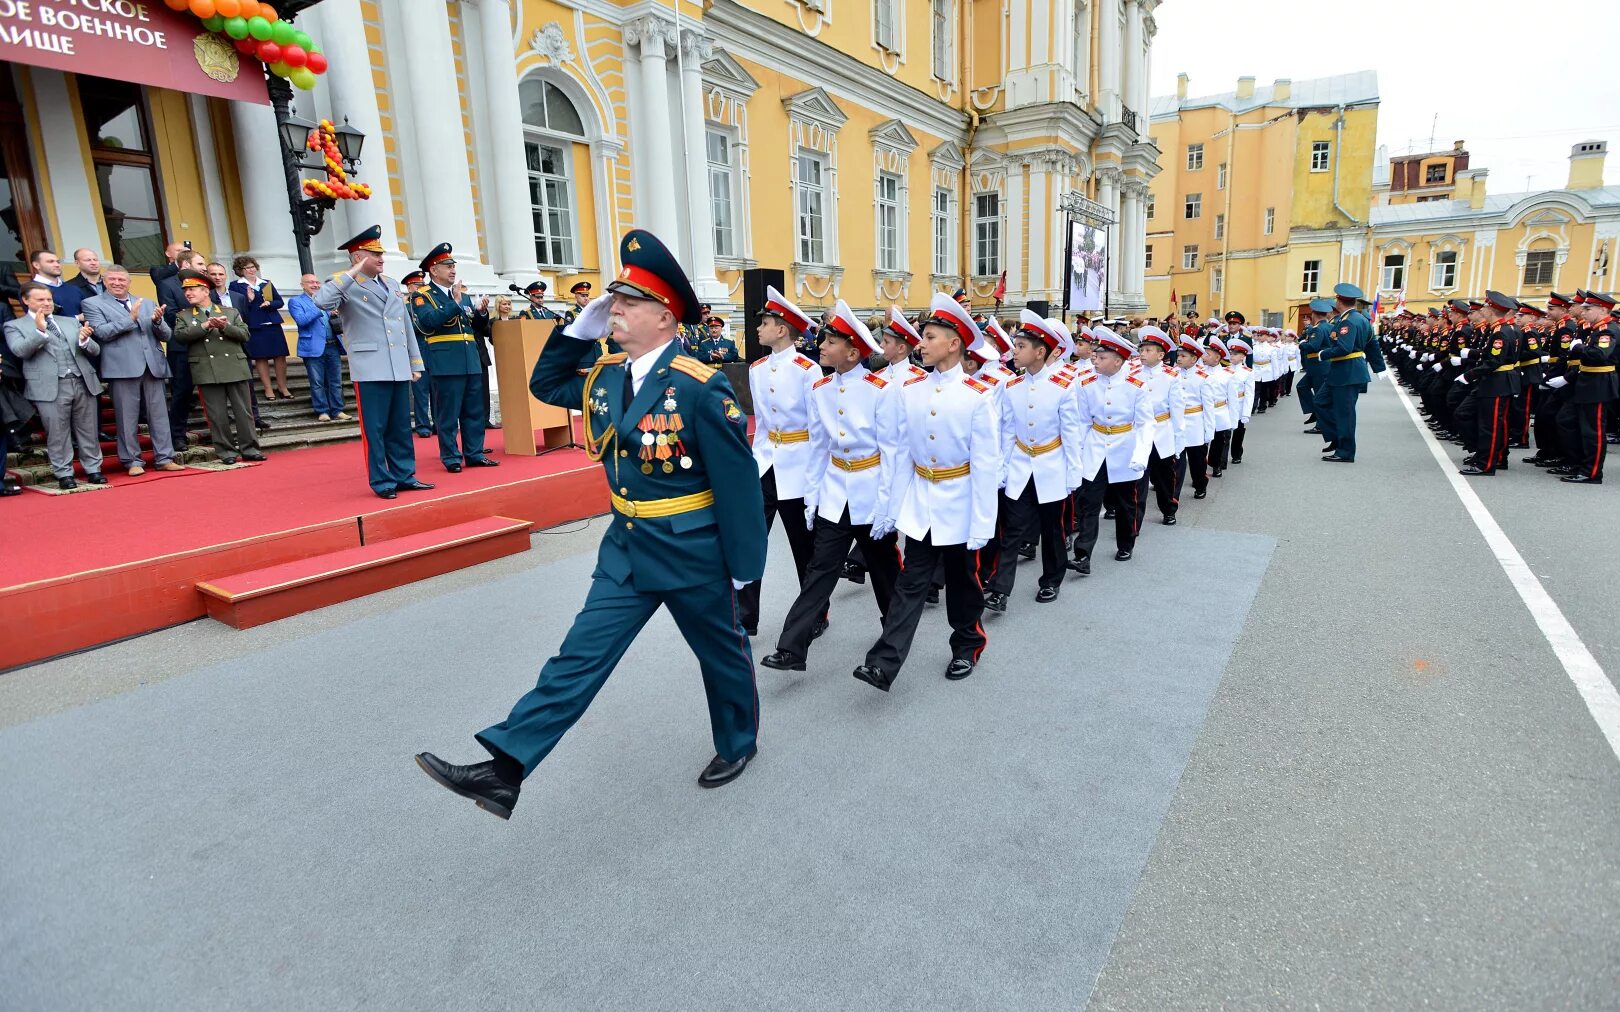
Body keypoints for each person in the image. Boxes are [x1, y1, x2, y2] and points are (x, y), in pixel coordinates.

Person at [414, 229, 767, 818]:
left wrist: (743, 571)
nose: (614, 310)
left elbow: (737, 489)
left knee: (722, 655)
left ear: (665, 317)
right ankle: (505, 768)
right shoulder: (605, 376)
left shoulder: (699, 389)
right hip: (627, 548)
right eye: (613, 300)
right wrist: (577, 328)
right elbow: (546, 384)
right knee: (578, 655)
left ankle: (738, 743)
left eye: (628, 302)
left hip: (693, 552)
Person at [852, 292, 999, 691]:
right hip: (922, 499)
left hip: (961, 501)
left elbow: (986, 464)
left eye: (930, 336)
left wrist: (983, 521)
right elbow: (900, 454)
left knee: (963, 581)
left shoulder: (977, 397)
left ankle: (967, 645)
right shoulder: (910, 391)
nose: (921, 343)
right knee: (911, 581)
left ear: (954, 343)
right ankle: (883, 662)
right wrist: (889, 508)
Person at [759, 301, 901, 670]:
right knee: (820, 570)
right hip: (836, 493)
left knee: (885, 573)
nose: (820, 345)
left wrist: (889, 506)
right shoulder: (820, 388)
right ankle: (792, 647)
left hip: (870, 494)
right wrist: (812, 499)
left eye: (831, 341)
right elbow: (819, 449)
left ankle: (894, 633)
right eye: (823, 339)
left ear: (853, 352)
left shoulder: (879, 390)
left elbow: (892, 453)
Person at [315, 225, 432, 500]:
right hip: (370, 367)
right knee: (375, 429)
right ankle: (382, 481)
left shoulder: (391, 283)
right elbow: (321, 301)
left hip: (396, 365)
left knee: (401, 426)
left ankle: (405, 475)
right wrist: (352, 273)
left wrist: (415, 363)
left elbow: (404, 324)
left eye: (381, 254)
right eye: (374, 254)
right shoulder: (344, 282)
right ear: (358, 258)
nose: (381, 259)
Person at [738, 285, 821, 639]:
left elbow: (818, 430)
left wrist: (817, 478)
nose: (759, 328)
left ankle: (815, 612)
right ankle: (745, 616)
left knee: (804, 547)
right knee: (752, 540)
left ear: (783, 329)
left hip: (798, 466)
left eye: (766, 322)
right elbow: (762, 425)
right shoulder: (757, 368)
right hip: (766, 463)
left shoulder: (808, 370)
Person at [982, 311, 1080, 610]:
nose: (1015, 350)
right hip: (1020, 466)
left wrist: (1074, 473)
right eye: (1016, 344)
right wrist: (1002, 468)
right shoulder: (1010, 387)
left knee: (1052, 531)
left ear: (1040, 352)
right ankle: (1000, 589)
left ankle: (1051, 580)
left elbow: (1071, 433)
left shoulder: (1064, 386)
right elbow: (1007, 432)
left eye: (1021, 345)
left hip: (1051, 465)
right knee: (1011, 530)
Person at [81, 265, 183, 476]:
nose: (118, 283)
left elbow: (165, 335)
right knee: (127, 417)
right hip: (121, 367)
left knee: (159, 415)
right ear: (104, 282)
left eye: (122, 279)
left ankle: (164, 457)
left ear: (129, 282)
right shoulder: (92, 303)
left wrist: (157, 322)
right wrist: (130, 319)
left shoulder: (146, 302)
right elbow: (102, 332)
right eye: (112, 280)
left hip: (153, 365)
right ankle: (132, 460)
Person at [1069, 327, 1154, 573]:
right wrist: (1079, 452)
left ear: (1118, 361)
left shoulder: (1136, 386)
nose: (1095, 359)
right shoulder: (1085, 383)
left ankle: (1126, 544)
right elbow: (1083, 421)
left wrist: (1140, 455)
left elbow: (1145, 423)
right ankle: (1083, 555)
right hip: (1095, 448)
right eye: (1096, 355)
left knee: (1127, 503)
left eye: (1102, 356)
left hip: (1124, 447)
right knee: (1088, 503)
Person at [4, 283, 105, 489]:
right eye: (40, 300)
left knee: (88, 429)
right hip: (49, 385)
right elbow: (20, 351)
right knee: (57, 432)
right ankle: (64, 473)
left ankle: (94, 469)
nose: (47, 303)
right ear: (25, 300)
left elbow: (95, 350)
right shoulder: (15, 326)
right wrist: (40, 331)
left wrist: (85, 341)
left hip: (81, 380)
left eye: (49, 299)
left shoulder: (69, 322)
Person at [408, 243, 496, 473]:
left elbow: (476, 327)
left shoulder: (463, 296)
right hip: (446, 363)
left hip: (470, 360)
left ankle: (474, 453)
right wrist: (455, 303)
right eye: (447, 266)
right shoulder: (421, 296)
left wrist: (481, 312)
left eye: (453, 265)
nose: (452, 269)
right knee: (447, 414)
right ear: (433, 270)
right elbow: (429, 321)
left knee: (474, 411)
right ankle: (451, 457)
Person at [170, 268, 265, 464]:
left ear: (206, 291)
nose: (188, 293)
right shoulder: (184, 316)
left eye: (193, 289)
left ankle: (250, 448)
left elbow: (245, 335)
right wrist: (204, 326)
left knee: (243, 412)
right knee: (217, 414)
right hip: (207, 369)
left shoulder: (230, 312)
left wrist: (224, 327)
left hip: (234, 366)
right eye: (185, 290)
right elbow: (179, 337)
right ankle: (226, 452)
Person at [1458, 290, 1522, 477]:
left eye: (1486, 306)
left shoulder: (1501, 333)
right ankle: (1497, 458)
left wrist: (1469, 375)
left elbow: (1494, 362)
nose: (1483, 309)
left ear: (1493, 309)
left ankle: (1486, 464)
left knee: (1491, 426)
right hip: (1497, 383)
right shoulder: (1498, 329)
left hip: (1497, 383)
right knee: (1496, 424)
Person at [1559, 290, 1617, 484]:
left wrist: (1579, 348)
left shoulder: (1608, 330)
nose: (1584, 312)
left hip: (1598, 385)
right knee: (1567, 421)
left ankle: (1591, 472)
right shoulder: (1596, 329)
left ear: (1603, 309)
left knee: (1593, 431)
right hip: (1586, 382)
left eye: (1588, 309)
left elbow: (1600, 355)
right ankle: (1578, 463)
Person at [1134, 324, 1186, 524]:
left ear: (1161, 354)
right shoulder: (1134, 373)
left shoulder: (1171, 376)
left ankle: (1168, 509)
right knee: (1138, 478)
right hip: (1139, 432)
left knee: (1164, 476)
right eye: (1141, 349)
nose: (1143, 354)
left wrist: (1178, 439)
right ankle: (1135, 519)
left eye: (1148, 350)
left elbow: (1177, 410)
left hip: (1161, 431)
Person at [1319, 282, 1374, 464]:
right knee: (1320, 401)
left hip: (1347, 371)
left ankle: (1345, 452)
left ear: (1338, 301)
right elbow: (1372, 343)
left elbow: (1344, 347)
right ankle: (1337, 438)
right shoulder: (1358, 318)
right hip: (1342, 372)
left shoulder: (1349, 321)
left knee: (1345, 413)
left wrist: (1323, 354)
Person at [288, 273, 349, 422]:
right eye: (310, 283)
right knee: (317, 382)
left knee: (335, 381)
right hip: (312, 347)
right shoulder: (295, 301)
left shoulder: (328, 300)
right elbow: (302, 321)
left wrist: (334, 314)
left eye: (317, 282)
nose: (315, 285)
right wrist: (318, 305)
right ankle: (322, 411)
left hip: (332, 345)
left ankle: (338, 410)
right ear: (302, 285)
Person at [229, 256, 291, 402]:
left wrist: (269, 303)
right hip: (254, 325)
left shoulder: (266, 283)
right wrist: (249, 300)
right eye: (247, 268)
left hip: (272, 324)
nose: (251, 270)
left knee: (280, 356)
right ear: (240, 271)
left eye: (253, 267)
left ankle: (283, 387)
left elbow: (279, 302)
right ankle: (268, 389)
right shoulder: (236, 285)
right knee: (260, 357)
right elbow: (236, 307)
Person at [399, 270, 434, 437]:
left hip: (433, 349)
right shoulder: (405, 306)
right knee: (420, 391)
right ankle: (423, 425)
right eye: (418, 285)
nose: (422, 288)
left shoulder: (426, 302)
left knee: (437, 390)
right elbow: (408, 328)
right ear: (409, 287)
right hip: (418, 349)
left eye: (423, 285)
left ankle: (438, 423)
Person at [28, 250, 83, 319]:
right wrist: (77, 318)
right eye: (50, 262)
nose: (57, 265)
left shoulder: (73, 288)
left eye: (58, 262)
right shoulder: (30, 290)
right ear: (36, 265)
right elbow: (38, 318)